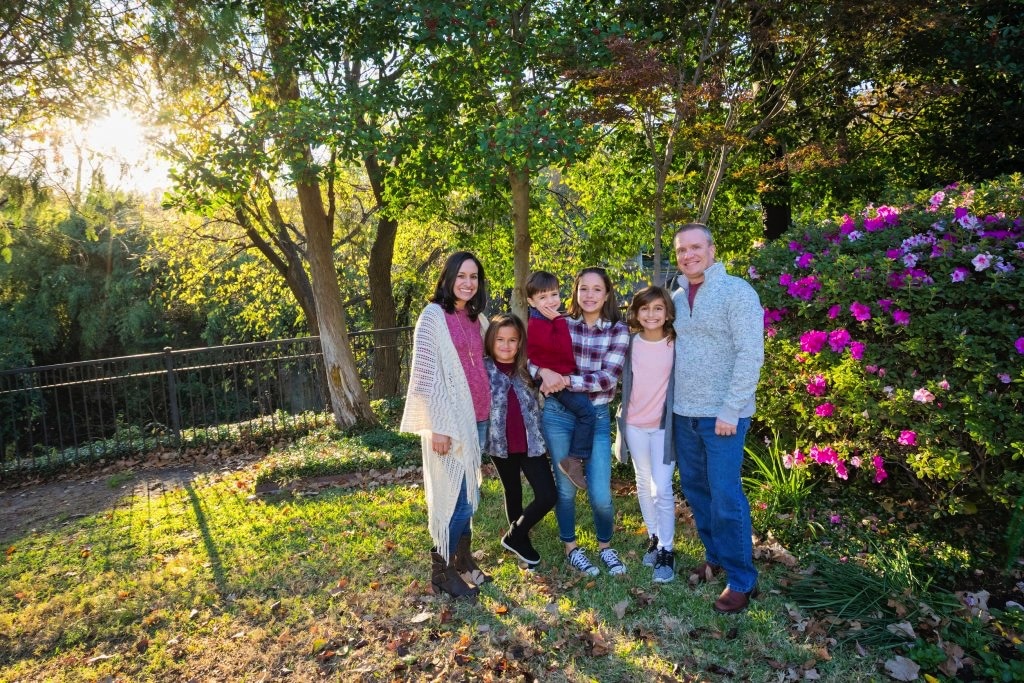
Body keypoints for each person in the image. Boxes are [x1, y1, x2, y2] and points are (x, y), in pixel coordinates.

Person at [670, 223, 765, 614]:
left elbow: (750, 353)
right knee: (696, 491)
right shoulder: (674, 298)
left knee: (726, 495)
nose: (688, 255)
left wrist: (731, 408)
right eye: (681, 250)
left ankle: (743, 579)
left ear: (711, 249)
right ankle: (716, 556)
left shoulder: (737, 292)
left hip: (724, 416)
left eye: (695, 247)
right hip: (684, 413)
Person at [400, 251, 491, 601]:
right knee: (456, 500)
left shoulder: (476, 317)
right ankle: (441, 571)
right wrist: (436, 426)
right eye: (462, 276)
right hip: (449, 423)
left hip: (477, 418)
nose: (468, 283)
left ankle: (463, 559)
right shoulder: (432, 316)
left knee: (468, 493)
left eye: (474, 277)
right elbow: (424, 377)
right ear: (448, 277)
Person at [534, 267, 630, 577]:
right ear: (575, 292)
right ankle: (571, 547)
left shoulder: (618, 330)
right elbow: (528, 352)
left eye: (597, 289)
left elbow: (606, 378)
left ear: (607, 294)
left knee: (600, 491)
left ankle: (605, 546)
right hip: (559, 416)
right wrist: (542, 373)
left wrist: (563, 379)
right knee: (566, 489)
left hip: (597, 416)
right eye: (583, 289)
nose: (589, 295)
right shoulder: (560, 322)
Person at [482, 313, 557, 569]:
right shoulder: (483, 370)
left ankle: (513, 535)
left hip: (531, 442)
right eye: (500, 339)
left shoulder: (528, 369)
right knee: (512, 490)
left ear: (520, 342)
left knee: (548, 495)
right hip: (500, 444)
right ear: (491, 341)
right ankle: (521, 544)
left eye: (512, 340)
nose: (506, 345)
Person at [615, 286, 677, 583]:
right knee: (643, 481)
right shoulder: (629, 343)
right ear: (636, 312)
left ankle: (667, 549)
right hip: (634, 424)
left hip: (664, 427)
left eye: (657, 308)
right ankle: (654, 536)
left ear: (667, 312)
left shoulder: (676, 343)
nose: (651, 314)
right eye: (645, 309)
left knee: (662, 488)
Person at [524, 271, 596, 490]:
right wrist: (559, 321)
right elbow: (562, 351)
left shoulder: (550, 320)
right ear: (531, 302)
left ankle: (574, 458)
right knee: (587, 413)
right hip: (555, 383)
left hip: (560, 377)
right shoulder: (539, 324)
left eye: (554, 294)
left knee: (582, 412)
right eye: (542, 297)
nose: (550, 301)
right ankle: (573, 460)